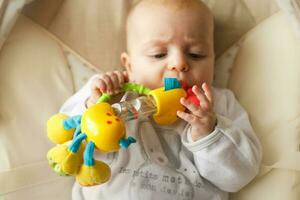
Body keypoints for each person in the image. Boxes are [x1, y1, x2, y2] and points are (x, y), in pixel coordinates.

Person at [60, 0, 262, 199]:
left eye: (196, 54)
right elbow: (66, 134)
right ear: (129, 66)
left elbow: (241, 175)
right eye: (158, 54)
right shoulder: (109, 92)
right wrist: (93, 106)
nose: (179, 63)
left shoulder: (218, 104)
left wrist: (208, 133)